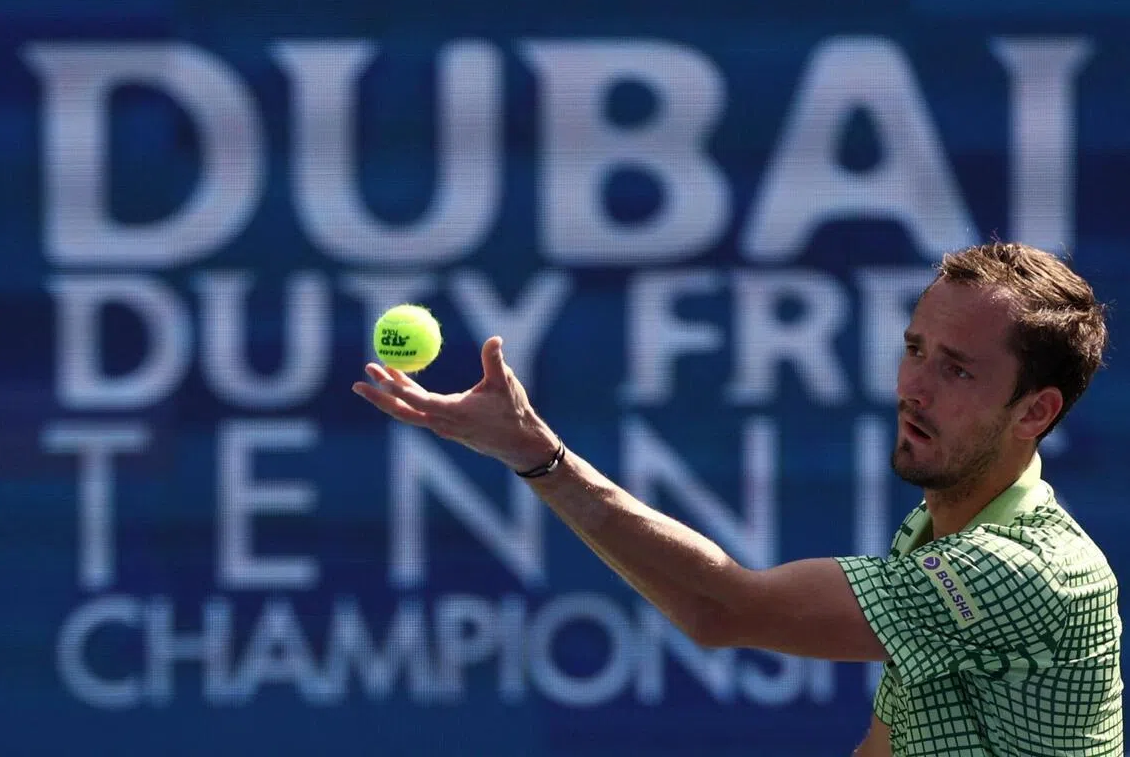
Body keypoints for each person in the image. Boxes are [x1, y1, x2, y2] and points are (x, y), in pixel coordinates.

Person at [353, 242, 1123, 756]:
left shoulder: (1020, 571)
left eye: (956, 371)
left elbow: (722, 608)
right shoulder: (937, 530)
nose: (912, 388)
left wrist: (539, 456)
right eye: (915, 350)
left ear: (1035, 412)